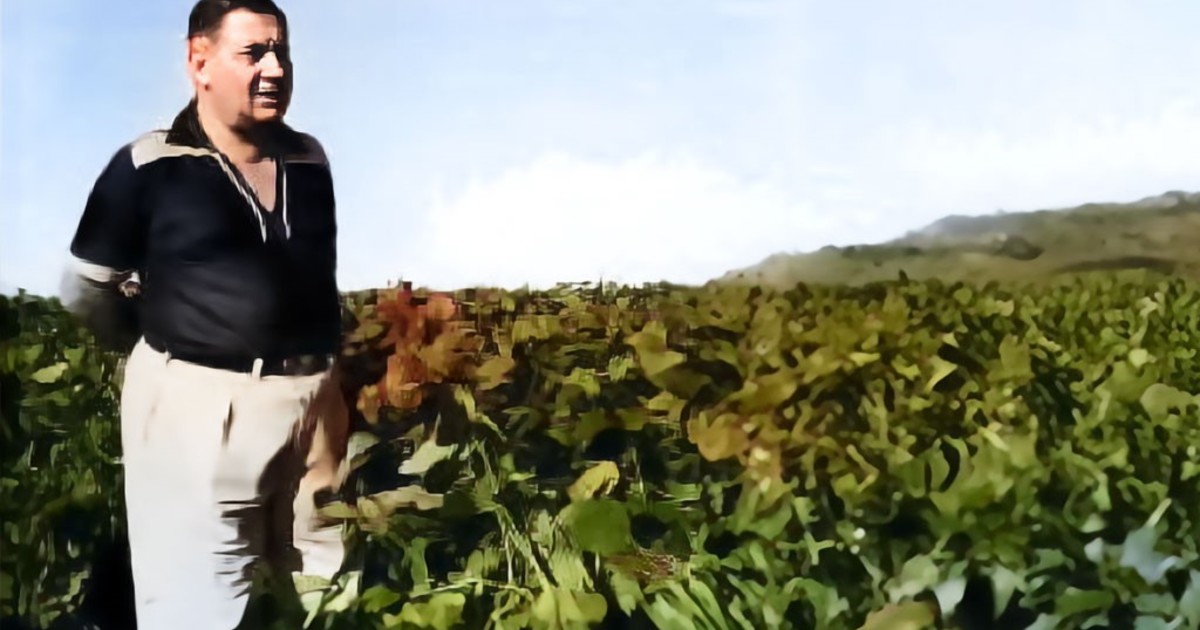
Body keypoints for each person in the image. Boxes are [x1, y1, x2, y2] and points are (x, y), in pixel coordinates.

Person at [60, 1, 351, 627]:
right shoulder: (148, 165)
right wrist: (172, 349)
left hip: (315, 407)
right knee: (200, 604)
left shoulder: (310, 160)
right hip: (202, 410)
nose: (275, 69)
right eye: (254, 53)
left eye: (282, 51)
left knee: (323, 590)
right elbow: (87, 289)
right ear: (200, 62)